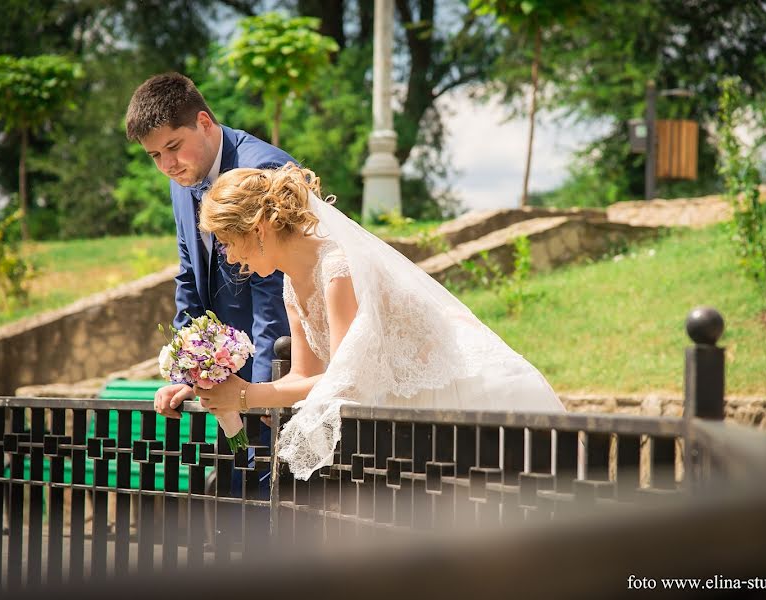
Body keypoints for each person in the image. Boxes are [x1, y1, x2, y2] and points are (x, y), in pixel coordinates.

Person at [195, 163, 566, 480]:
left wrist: (247, 395)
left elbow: (346, 380)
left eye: (227, 241)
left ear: (258, 228)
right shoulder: (292, 285)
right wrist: (241, 394)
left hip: (461, 393)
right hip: (405, 411)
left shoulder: (337, 269)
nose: (227, 255)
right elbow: (302, 376)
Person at [125, 72, 293, 495]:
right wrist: (189, 372)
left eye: (173, 148)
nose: (166, 165)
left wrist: (258, 392)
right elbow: (189, 278)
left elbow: (272, 290)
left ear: (203, 122)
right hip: (224, 378)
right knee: (234, 496)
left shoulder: (264, 169)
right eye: (154, 156)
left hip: (273, 370)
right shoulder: (179, 184)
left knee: (269, 495)